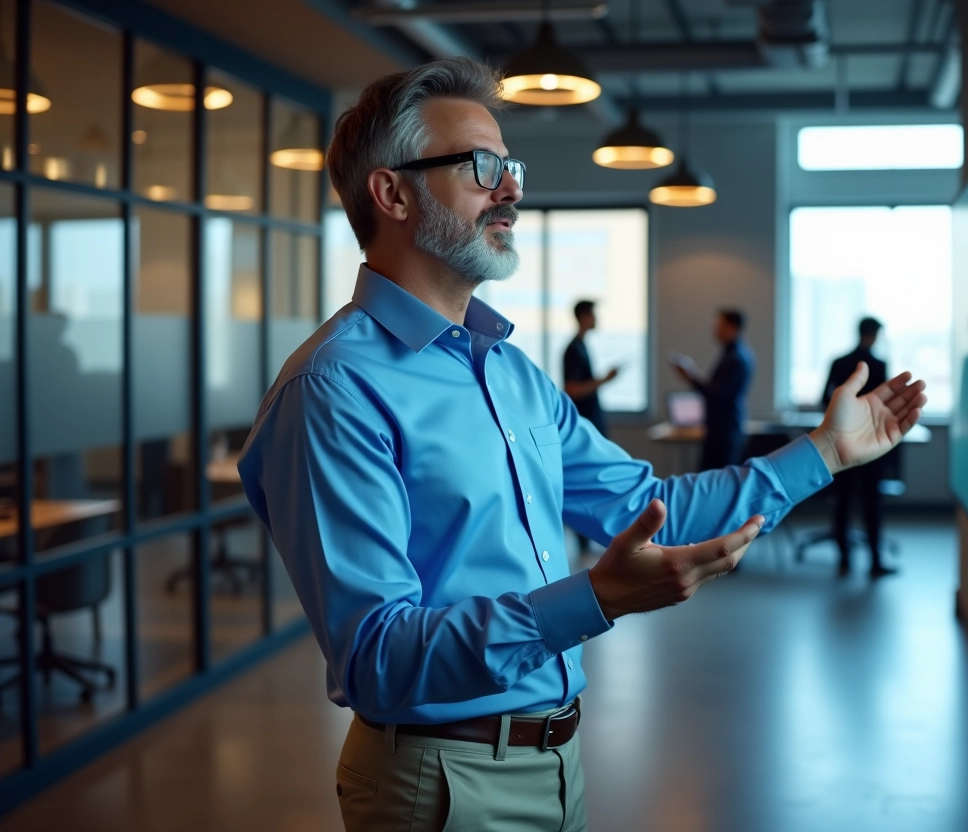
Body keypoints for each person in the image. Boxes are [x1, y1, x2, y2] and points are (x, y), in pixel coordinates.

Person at [238, 58, 927, 832]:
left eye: (511, 167)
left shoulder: (510, 373)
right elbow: (377, 658)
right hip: (440, 783)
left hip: (557, 762)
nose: (513, 190)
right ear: (392, 193)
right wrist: (591, 600)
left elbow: (649, 506)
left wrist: (825, 453)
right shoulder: (333, 389)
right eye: (482, 167)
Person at [822, 317, 896, 579]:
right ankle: (875, 561)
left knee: (841, 500)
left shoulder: (839, 362)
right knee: (871, 503)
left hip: (841, 441)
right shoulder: (879, 365)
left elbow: (824, 400)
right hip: (869, 445)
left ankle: (843, 560)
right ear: (875, 335)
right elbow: (884, 407)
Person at [672, 310, 754, 471]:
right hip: (722, 429)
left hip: (724, 432)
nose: (715, 329)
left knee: (717, 482)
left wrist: (691, 376)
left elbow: (718, 395)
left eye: (720, 325)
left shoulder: (736, 358)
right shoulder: (734, 354)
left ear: (733, 327)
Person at [562, 299, 617, 437]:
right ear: (583, 317)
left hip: (589, 419)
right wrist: (604, 379)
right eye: (593, 314)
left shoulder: (581, 346)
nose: (596, 319)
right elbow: (571, 389)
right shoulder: (574, 350)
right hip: (583, 421)